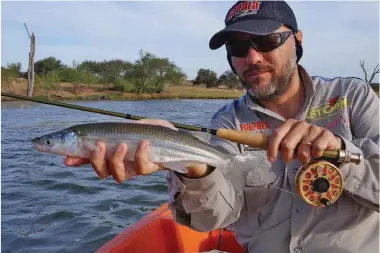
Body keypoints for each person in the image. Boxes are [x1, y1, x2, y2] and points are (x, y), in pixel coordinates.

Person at [64, 1, 379, 252]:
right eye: (238, 48)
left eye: (266, 40)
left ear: (297, 41)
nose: (252, 57)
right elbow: (212, 218)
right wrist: (191, 167)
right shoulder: (226, 122)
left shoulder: (353, 97)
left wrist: (338, 151)